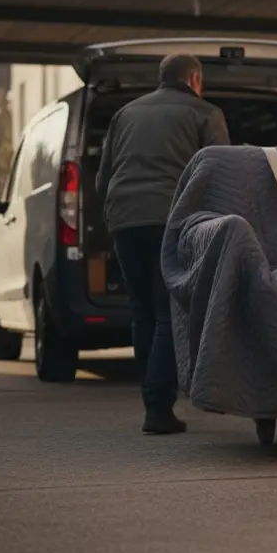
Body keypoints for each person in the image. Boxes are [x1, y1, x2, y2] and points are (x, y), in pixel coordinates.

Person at [96, 53, 230, 435]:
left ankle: (152, 401)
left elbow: (103, 178)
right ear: (194, 79)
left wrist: (115, 217)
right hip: (170, 220)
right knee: (168, 312)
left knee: (141, 311)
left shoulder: (125, 114)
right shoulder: (205, 113)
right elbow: (222, 175)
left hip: (125, 219)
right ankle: (157, 409)